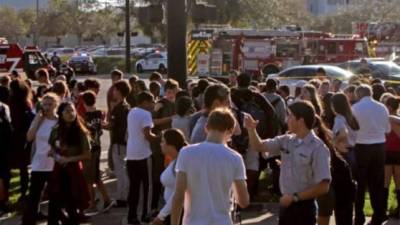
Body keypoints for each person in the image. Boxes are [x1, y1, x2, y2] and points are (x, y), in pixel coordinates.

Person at [244, 101, 331, 225]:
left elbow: (324, 187)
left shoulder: (318, 148)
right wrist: (251, 129)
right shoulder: (286, 140)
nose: (286, 119)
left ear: (300, 121)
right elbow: (259, 146)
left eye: (290, 115)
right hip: (286, 205)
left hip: (304, 209)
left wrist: (295, 197)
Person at [171, 108, 249, 225]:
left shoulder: (186, 152)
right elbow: (243, 201)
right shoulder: (235, 158)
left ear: (206, 127)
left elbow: (178, 195)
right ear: (231, 131)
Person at [47, 102, 91, 225]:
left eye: (72, 111)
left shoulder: (80, 132)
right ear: (60, 114)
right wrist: (56, 156)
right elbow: (51, 149)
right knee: (54, 206)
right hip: (58, 172)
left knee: (72, 205)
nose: (71, 114)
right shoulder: (56, 130)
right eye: (67, 111)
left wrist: (68, 159)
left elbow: (87, 155)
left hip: (73, 172)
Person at [352, 84, 390, 225]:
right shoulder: (382, 107)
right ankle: (378, 215)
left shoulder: (355, 108)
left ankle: (359, 216)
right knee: (377, 183)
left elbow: (352, 129)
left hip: (361, 147)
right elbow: (387, 129)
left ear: (358, 94)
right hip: (379, 147)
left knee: (360, 184)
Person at [22, 93, 59, 225]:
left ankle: (53, 221)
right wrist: (37, 120)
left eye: (50, 104)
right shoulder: (39, 119)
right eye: (45, 104)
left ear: (56, 105)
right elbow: (29, 137)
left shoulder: (59, 121)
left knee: (55, 195)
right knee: (34, 195)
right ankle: (29, 221)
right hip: (39, 162)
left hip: (54, 163)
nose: (47, 107)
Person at [126, 91, 159, 224]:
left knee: (134, 187)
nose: (153, 104)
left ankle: (132, 215)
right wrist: (160, 138)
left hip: (131, 154)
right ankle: (145, 214)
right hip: (143, 154)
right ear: (145, 102)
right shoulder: (146, 114)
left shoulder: (132, 111)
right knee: (147, 187)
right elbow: (147, 135)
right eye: (152, 101)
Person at [81, 91, 114, 214]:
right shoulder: (99, 113)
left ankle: (93, 204)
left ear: (83, 102)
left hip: (89, 148)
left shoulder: (85, 116)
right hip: (97, 146)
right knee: (95, 177)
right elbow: (102, 126)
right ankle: (106, 199)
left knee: (89, 178)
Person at [103, 80, 131, 208]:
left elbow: (111, 126)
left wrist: (99, 124)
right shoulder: (127, 106)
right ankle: (125, 196)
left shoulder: (118, 109)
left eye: (114, 90)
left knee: (120, 172)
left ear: (119, 91)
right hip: (125, 143)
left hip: (118, 144)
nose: (113, 92)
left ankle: (122, 198)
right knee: (124, 171)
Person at [152, 129, 187, 225]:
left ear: (171, 145)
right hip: (171, 212)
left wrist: (161, 216)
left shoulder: (179, 163)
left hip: (176, 214)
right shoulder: (175, 160)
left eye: (163, 141)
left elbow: (179, 194)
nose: (160, 144)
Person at [9, 79, 34, 201]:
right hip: (27, 135)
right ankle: (25, 192)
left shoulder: (14, 103)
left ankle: (24, 193)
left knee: (22, 167)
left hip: (18, 137)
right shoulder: (26, 102)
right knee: (25, 167)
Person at [383, 95, 400, 218]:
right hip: (396, 153)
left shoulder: (389, 119)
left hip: (389, 152)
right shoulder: (396, 118)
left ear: (389, 107)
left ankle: (382, 211)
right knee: (398, 183)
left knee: (386, 183)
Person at [331, 93, 359, 166]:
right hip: (354, 151)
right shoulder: (351, 117)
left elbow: (343, 133)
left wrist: (334, 143)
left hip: (344, 152)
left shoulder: (339, 118)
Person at [0, 102, 11, 216]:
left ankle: (3, 203)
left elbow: (8, 128)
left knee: (3, 178)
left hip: (3, 149)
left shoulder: (3, 108)